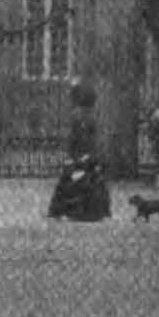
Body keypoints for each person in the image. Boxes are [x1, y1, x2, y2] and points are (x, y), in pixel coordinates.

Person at [48, 82, 111, 221]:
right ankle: (97, 211)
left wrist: (70, 155)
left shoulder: (77, 116)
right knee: (95, 182)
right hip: (90, 155)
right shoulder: (93, 116)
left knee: (69, 182)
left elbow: (73, 138)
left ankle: (64, 210)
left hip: (79, 154)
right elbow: (96, 138)